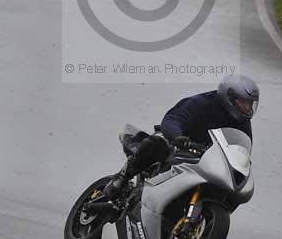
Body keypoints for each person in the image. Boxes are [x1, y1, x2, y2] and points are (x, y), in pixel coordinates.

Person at [104, 74, 259, 200]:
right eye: (243, 102)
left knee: (234, 187)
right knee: (158, 142)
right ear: (230, 97)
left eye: (250, 103)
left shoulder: (243, 123)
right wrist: (178, 136)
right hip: (179, 147)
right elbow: (173, 119)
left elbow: (242, 149)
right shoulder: (202, 104)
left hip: (207, 161)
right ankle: (120, 180)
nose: (247, 107)